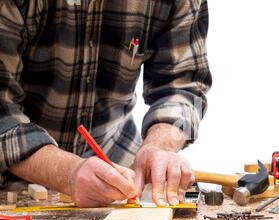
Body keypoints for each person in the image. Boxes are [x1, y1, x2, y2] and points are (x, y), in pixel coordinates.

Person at [0, 0, 211, 207]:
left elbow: (189, 88)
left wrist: (161, 144)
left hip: (116, 167)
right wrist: (67, 172)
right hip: (10, 181)